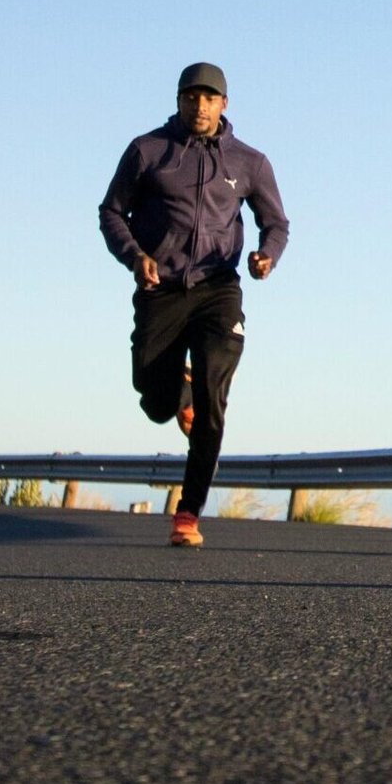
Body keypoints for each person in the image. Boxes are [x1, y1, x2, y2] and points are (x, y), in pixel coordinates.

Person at [98, 62, 289, 546]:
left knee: (213, 398)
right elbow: (111, 212)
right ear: (179, 100)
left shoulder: (250, 162)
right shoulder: (148, 151)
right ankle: (174, 393)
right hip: (160, 288)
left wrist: (268, 255)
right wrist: (135, 256)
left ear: (225, 104)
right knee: (155, 400)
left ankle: (188, 514)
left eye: (209, 98)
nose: (199, 106)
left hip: (217, 290)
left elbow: (277, 223)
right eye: (191, 97)